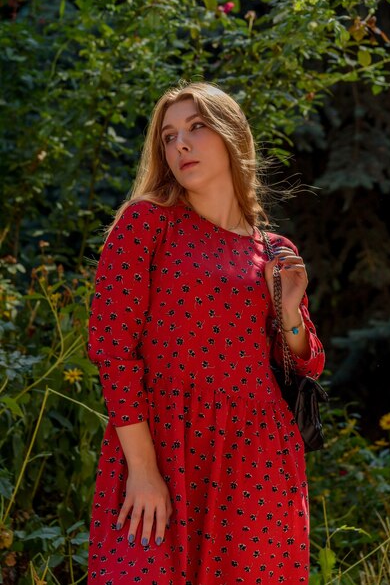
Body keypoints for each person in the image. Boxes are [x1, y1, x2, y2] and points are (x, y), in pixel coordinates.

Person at [87, 81, 325, 584]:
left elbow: (303, 363)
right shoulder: (146, 223)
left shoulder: (273, 247)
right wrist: (144, 471)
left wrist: (288, 308)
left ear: (233, 136)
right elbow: (112, 347)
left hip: (258, 456)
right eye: (169, 137)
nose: (181, 145)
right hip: (165, 443)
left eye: (196, 128)